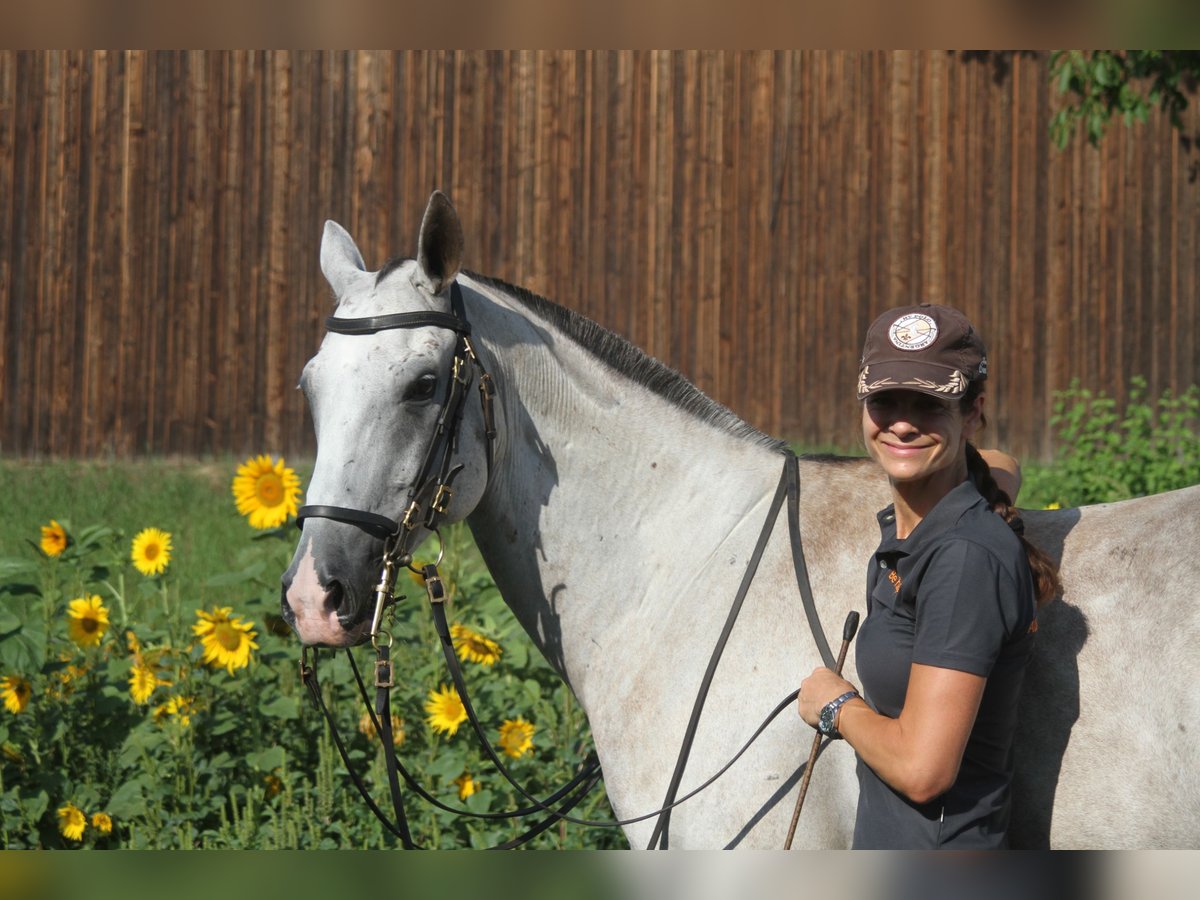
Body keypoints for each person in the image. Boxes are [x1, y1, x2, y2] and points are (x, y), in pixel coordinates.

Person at [797, 303, 1060, 849]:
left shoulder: (964, 560)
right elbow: (1000, 463)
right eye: (884, 399)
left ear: (972, 412)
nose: (901, 422)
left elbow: (923, 770)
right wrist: (993, 483)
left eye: (928, 403)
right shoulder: (928, 520)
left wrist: (836, 705)